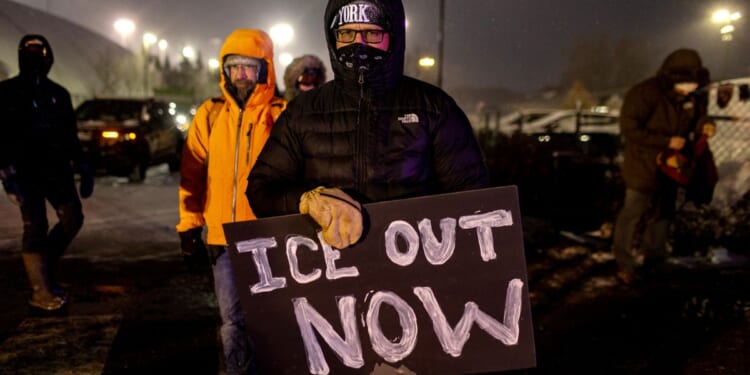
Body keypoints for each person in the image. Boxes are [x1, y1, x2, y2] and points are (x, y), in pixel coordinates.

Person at [247, 0, 489, 250]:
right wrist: (306, 201)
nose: (358, 44)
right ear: (333, 38)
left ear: (393, 36)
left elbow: (473, 196)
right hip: (328, 274)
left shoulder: (434, 107)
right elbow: (261, 191)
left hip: (416, 269)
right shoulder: (302, 111)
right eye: (346, 33)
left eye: (372, 33)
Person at [176, 29, 286, 375]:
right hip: (222, 240)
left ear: (265, 69)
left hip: (269, 236)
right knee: (232, 319)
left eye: (249, 67)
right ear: (224, 71)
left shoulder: (281, 114)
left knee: (273, 316)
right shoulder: (210, 115)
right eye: (234, 66)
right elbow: (191, 174)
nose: (240, 75)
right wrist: (189, 225)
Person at [0, 34, 94, 312]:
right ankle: (40, 290)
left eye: (40, 54)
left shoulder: (58, 94)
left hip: (57, 170)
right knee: (35, 226)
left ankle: (44, 265)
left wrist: (83, 167)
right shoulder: (6, 93)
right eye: (29, 54)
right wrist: (8, 177)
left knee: (72, 218)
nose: (35, 60)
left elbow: (70, 137)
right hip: (24, 172)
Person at [613, 48, 716, 283]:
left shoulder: (691, 97)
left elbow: (699, 117)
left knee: (664, 212)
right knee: (633, 213)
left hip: (672, 168)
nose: (692, 89)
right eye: (688, 83)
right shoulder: (644, 93)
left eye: (694, 84)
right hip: (643, 165)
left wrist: (706, 124)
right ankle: (624, 263)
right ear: (674, 78)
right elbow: (629, 128)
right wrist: (665, 141)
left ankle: (655, 256)